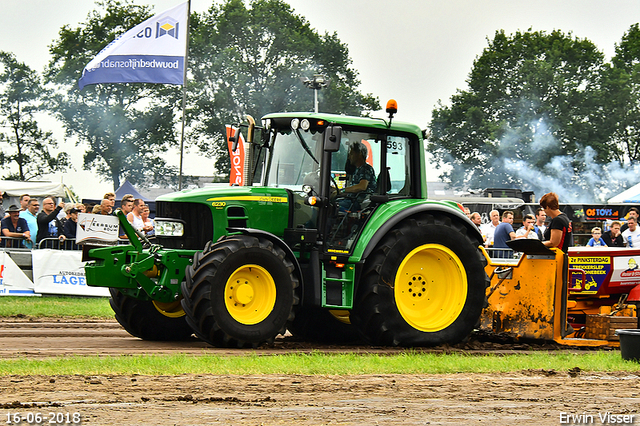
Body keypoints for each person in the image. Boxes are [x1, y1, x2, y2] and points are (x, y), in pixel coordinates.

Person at [338, 141, 377, 213]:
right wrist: (337, 191)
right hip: (353, 200)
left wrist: (342, 190)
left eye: (351, 154)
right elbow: (352, 191)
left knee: (333, 206)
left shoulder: (366, 169)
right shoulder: (357, 170)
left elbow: (362, 187)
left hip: (359, 202)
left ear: (359, 154)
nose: (349, 157)